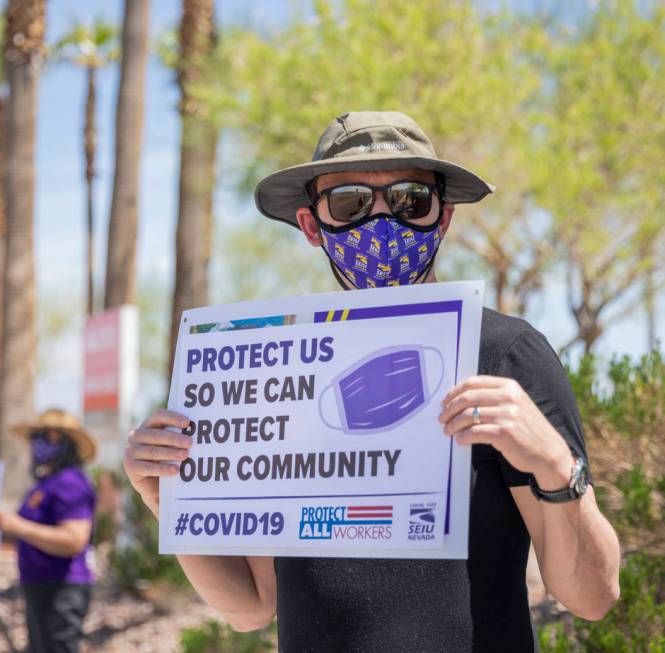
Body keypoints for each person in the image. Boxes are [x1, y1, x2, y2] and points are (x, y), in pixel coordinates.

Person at [123, 112, 621, 652]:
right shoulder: (279, 369)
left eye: (411, 200)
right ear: (313, 226)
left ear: (443, 216)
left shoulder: (505, 354)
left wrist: (554, 464)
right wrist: (162, 495)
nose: (383, 221)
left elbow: (592, 598)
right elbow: (253, 606)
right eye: (350, 203)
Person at [0, 408, 97, 653]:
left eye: (45, 435)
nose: (36, 443)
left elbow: (74, 539)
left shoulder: (70, 482)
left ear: (63, 441)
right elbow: (31, 536)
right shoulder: (45, 484)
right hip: (40, 587)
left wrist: (18, 526)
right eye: (37, 435)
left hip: (61, 589)